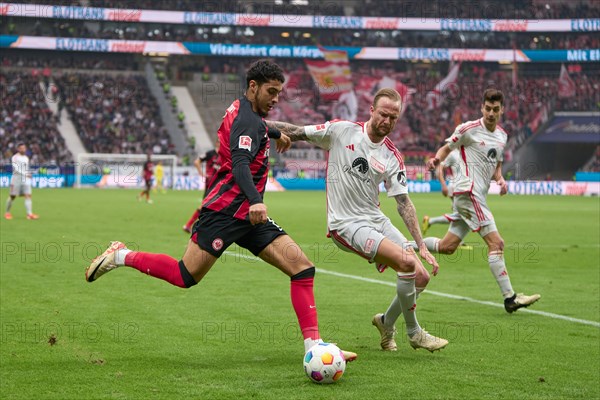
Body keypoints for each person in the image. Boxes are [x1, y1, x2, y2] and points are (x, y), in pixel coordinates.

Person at [85, 59, 356, 361]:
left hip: (250, 219)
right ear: (253, 87)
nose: (276, 98)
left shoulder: (246, 112)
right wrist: (256, 200)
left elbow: (260, 126)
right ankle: (120, 254)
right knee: (184, 275)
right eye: (271, 91)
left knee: (302, 268)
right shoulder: (245, 121)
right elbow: (240, 164)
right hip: (225, 212)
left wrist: (278, 135)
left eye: (279, 92)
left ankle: (314, 348)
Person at [267, 88, 448, 353]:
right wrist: (257, 122)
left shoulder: (392, 155)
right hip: (345, 223)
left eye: (393, 118)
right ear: (372, 111)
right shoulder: (341, 131)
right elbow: (296, 131)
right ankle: (415, 333)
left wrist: (421, 244)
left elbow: (403, 202)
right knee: (407, 263)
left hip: (374, 218)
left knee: (421, 276)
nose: (387, 121)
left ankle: (386, 323)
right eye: (383, 114)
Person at [423, 88, 540, 313]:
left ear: (502, 110)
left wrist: (501, 181)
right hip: (468, 193)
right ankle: (510, 298)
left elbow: (495, 167)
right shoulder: (468, 129)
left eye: (496, 109)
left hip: (476, 195)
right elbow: (446, 148)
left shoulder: (502, 136)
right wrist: (435, 159)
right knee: (497, 244)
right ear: (481, 108)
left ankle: (408, 247)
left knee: (447, 247)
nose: (491, 113)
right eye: (488, 108)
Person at [420, 149, 471, 252]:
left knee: (461, 215)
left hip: (466, 189)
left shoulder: (469, 151)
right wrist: (443, 185)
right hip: (457, 188)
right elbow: (439, 168)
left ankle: (430, 221)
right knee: (464, 215)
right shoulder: (453, 153)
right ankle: (456, 242)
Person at [182, 141, 221, 233]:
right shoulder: (210, 153)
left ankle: (194, 225)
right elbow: (197, 162)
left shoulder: (225, 154)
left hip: (218, 183)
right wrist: (202, 173)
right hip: (212, 183)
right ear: (217, 143)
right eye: (219, 141)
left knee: (212, 204)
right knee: (207, 204)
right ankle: (190, 225)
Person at [5, 143, 39, 220]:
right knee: (12, 196)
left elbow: (26, 168)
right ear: (18, 149)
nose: (23, 149)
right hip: (16, 180)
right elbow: (16, 168)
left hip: (25, 180)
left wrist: (28, 173)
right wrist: (26, 173)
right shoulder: (15, 157)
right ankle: (7, 213)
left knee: (28, 195)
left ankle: (29, 214)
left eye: (24, 148)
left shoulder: (26, 158)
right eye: (21, 148)